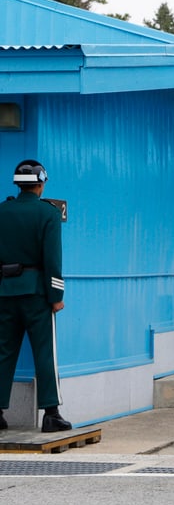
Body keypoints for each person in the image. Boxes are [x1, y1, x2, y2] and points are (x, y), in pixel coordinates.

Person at [0, 160, 71, 433]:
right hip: (37, 293)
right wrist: (56, 294)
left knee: (3, 352)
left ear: (18, 184)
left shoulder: (2, 211)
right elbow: (52, 259)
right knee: (45, 353)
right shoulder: (48, 214)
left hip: (5, 291)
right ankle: (51, 413)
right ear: (40, 184)